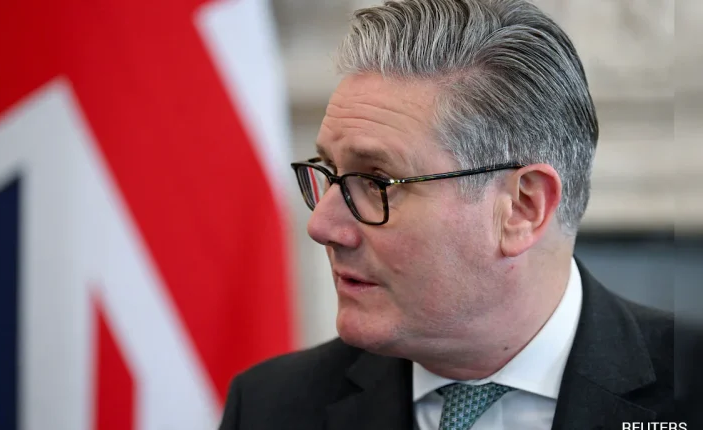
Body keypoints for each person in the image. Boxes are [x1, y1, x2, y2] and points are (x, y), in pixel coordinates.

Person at [219, 0, 675, 428]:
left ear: (522, 208)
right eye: (329, 172)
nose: (321, 226)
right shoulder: (269, 407)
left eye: (377, 182)